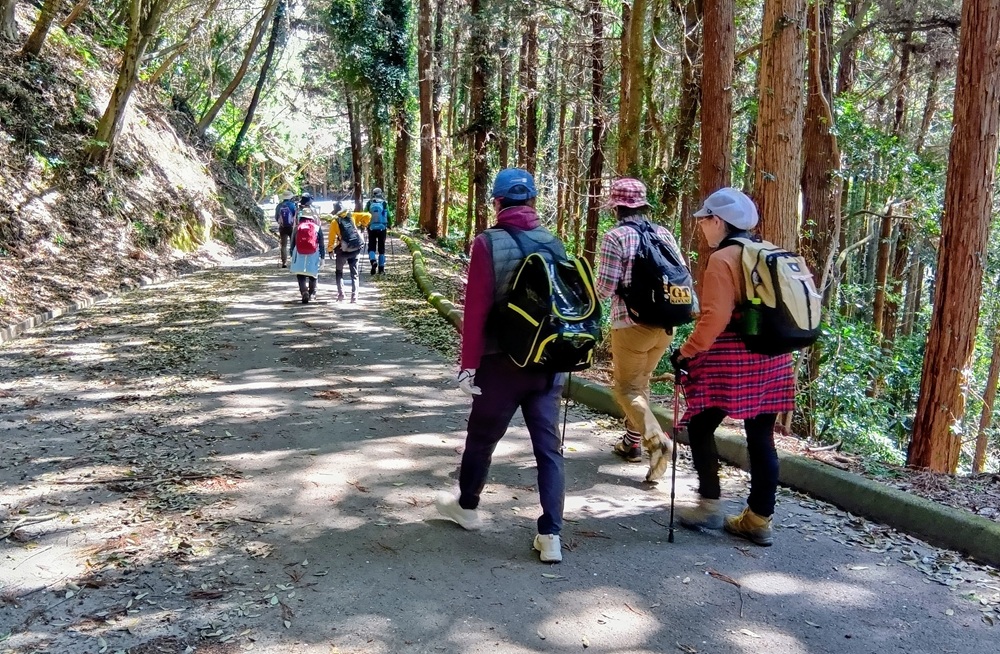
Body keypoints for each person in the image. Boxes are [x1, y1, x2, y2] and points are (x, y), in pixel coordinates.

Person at [435, 168, 567, 564]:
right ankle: (551, 535)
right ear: (532, 201)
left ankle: (467, 507)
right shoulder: (554, 242)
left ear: (497, 202)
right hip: (546, 364)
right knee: (549, 450)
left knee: (481, 439)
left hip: (500, 364)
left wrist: (467, 366)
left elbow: (475, 310)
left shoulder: (487, 243)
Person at [670, 187, 795, 547]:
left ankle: (709, 505)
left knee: (700, 424)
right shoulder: (767, 251)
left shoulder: (723, 258)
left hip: (736, 359)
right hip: (775, 357)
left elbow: (715, 317)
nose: (701, 226)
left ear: (718, 221)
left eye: (704, 219)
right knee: (761, 437)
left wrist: (687, 352)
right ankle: (758, 519)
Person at [594, 178, 677, 482]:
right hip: (665, 326)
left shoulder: (615, 237)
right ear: (643, 206)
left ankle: (657, 440)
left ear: (616, 208)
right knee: (640, 384)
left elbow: (604, 288)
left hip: (631, 325)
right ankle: (631, 443)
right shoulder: (663, 233)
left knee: (626, 389)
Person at [288, 198, 326, 304]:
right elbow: (321, 244)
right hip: (313, 252)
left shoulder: (297, 228)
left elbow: (292, 243)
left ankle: (304, 291)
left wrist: (292, 255)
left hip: (299, 252)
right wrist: (323, 257)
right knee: (313, 273)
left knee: (300, 273)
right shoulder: (317, 228)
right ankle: (312, 293)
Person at [327, 202, 363, 302]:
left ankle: (341, 294)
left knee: (339, 272)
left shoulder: (335, 222)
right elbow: (368, 216)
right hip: (355, 248)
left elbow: (331, 238)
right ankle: (354, 296)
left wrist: (330, 250)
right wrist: (363, 225)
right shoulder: (352, 216)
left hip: (342, 251)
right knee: (354, 274)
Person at [365, 188, 390, 275]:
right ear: (381, 193)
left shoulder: (369, 203)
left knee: (371, 246)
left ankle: (373, 261)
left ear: (373, 193)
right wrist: (390, 224)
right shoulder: (384, 203)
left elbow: (365, 214)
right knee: (381, 248)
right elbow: (388, 215)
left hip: (371, 228)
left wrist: (365, 224)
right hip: (382, 228)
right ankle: (381, 268)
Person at [274, 191, 297, 268]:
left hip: (282, 227)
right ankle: (294, 261)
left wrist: (281, 223)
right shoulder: (293, 205)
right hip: (291, 227)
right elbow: (296, 216)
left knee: (283, 245)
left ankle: (284, 262)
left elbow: (276, 217)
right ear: (290, 197)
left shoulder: (279, 206)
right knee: (293, 244)